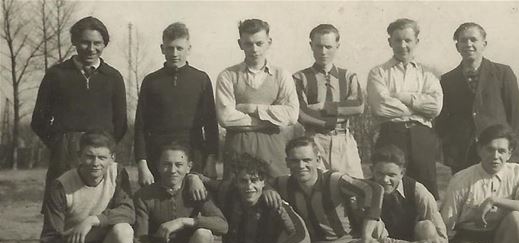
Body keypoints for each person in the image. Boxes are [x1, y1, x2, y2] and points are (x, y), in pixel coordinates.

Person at [31, 16, 127, 212]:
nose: (91, 48)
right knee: (62, 207)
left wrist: (105, 148)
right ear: (75, 42)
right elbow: (39, 120)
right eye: (85, 42)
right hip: (66, 153)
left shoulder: (113, 77)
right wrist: (61, 144)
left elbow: (121, 123)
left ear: (104, 44)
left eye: (97, 43)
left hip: (101, 152)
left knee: (102, 209)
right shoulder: (56, 74)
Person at [134, 22, 218, 186]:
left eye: (179, 48)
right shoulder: (151, 81)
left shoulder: (201, 79)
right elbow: (140, 127)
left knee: (194, 202)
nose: (174, 53)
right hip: (157, 155)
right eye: (170, 48)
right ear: (162, 48)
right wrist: (142, 165)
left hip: (194, 154)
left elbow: (210, 125)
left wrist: (211, 159)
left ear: (189, 48)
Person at [367, 18, 442, 199]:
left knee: (425, 191)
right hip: (391, 134)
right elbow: (381, 107)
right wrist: (417, 108)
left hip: (422, 137)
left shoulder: (428, 73)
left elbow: (435, 106)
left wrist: (403, 97)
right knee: (388, 188)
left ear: (416, 41)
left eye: (407, 40)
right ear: (390, 42)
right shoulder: (378, 72)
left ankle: (428, 226)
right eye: (397, 40)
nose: (402, 45)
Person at [216, 18, 299, 178]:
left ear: (269, 42)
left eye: (259, 43)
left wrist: (251, 109)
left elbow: (291, 115)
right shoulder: (228, 76)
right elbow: (226, 118)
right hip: (239, 148)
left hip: (274, 148)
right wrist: (271, 120)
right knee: (237, 196)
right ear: (240, 44)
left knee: (278, 195)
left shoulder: (282, 75)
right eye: (248, 44)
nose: (254, 49)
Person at [435, 22, 519, 174]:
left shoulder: (503, 73)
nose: (468, 44)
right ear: (457, 47)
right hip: (462, 155)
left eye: (473, 39)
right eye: (463, 40)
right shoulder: (447, 80)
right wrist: (451, 145)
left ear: (484, 44)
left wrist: (507, 146)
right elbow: (442, 120)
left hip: (496, 152)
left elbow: (515, 114)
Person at [293, 24, 365, 178]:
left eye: (328, 46)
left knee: (355, 188)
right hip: (314, 140)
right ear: (311, 45)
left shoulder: (348, 76)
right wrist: (336, 117)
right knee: (320, 188)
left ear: (337, 46)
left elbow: (358, 105)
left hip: (344, 141)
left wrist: (323, 107)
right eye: (319, 46)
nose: (323, 52)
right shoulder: (299, 78)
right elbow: (302, 113)